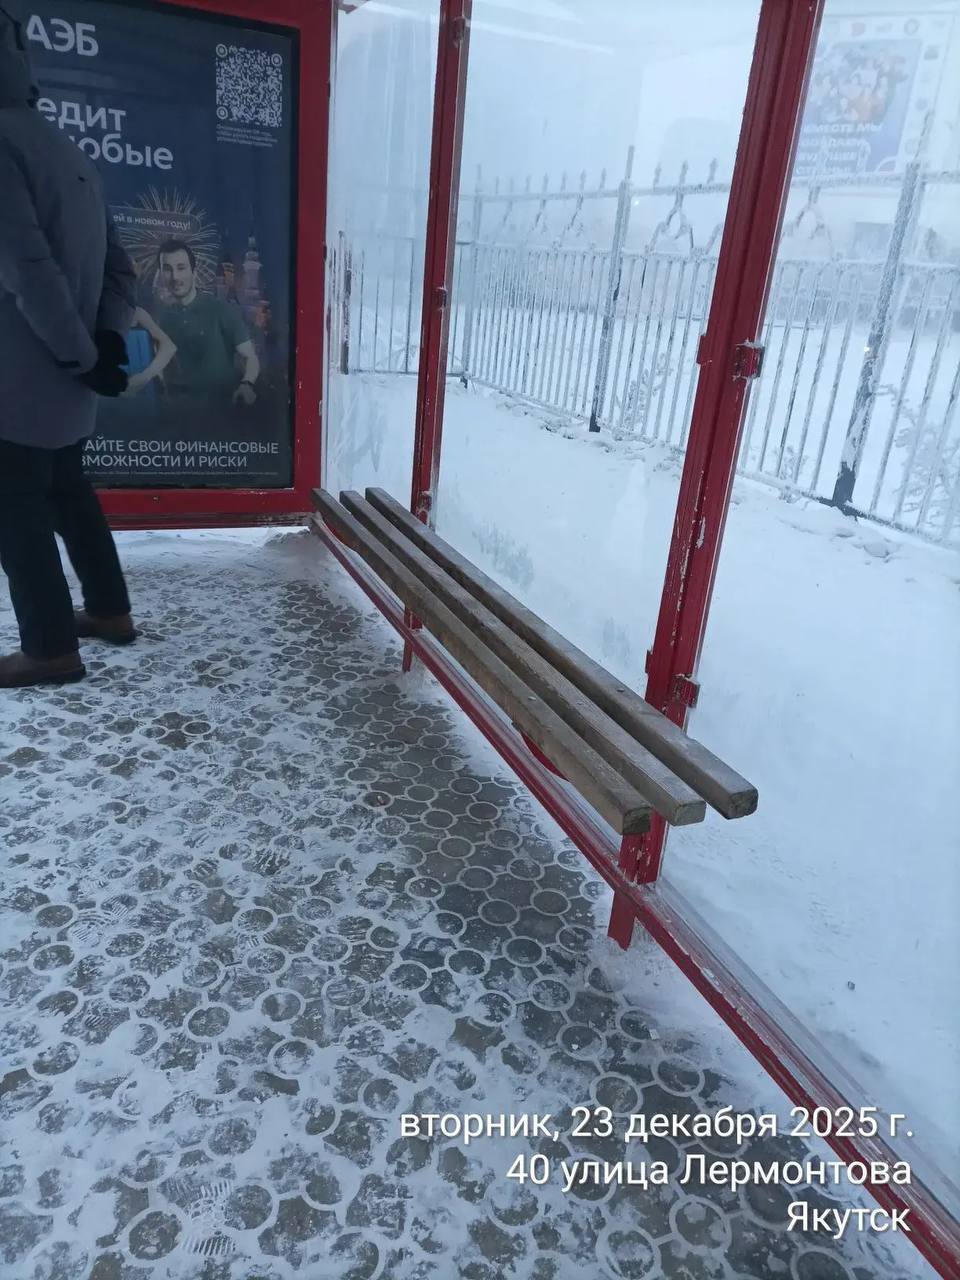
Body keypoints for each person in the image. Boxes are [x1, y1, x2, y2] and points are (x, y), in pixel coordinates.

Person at [0, 4, 138, 689]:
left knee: (15, 508)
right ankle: (109, 610)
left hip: (18, 384)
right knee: (66, 493)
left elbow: (28, 269)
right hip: (70, 385)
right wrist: (104, 342)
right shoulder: (65, 148)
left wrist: (80, 353)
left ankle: (50, 648)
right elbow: (119, 267)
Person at [155, 240, 261, 407]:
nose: (175, 277)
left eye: (181, 268)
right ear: (161, 274)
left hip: (220, 412)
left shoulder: (221, 310)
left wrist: (247, 384)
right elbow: (161, 367)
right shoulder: (164, 320)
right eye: (167, 269)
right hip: (179, 414)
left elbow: (250, 357)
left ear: (194, 272)